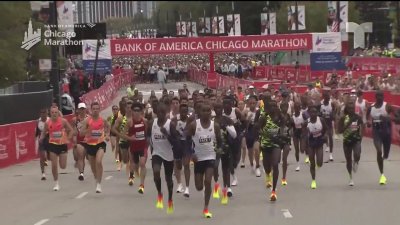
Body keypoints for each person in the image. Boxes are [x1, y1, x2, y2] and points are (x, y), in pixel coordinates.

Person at [187, 103, 222, 218]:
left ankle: (206, 207)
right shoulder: (193, 125)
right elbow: (187, 141)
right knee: (199, 186)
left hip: (210, 157)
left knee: (208, 181)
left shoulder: (215, 125)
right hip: (198, 159)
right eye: (204, 110)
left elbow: (220, 141)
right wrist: (191, 154)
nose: (206, 112)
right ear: (199, 112)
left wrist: (218, 152)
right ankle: (202, 190)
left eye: (208, 110)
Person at [148, 103, 180, 214]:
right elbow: (148, 136)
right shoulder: (152, 123)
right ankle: (159, 193)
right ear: (156, 112)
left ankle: (170, 199)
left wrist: (166, 134)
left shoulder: (170, 124)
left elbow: (175, 142)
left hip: (168, 154)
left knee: (168, 179)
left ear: (166, 112)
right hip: (156, 153)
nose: (161, 114)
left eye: (163, 112)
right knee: (156, 172)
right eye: (159, 112)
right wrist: (151, 146)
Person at [39, 106, 75, 191]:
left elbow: (71, 130)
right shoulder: (48, 123)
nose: (54, 114)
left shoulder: (63, 121)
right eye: (52, 112)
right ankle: (56, 183)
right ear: (50, 113)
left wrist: (68, 138)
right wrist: (41, 138)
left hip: (62, 145)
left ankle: (61, 160)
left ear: (58, 113)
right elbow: (44, 133)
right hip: (53, 145)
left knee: (63, 166)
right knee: (54, 165)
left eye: (55, 112)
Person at [81, 102, 110, 193]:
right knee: (93, 168)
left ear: (99, 109)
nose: (95, 110)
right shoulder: (87, 121)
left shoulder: (102, 120)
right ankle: (96, 178)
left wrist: (107, 135)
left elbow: (108, 126)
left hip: (100, 144)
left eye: (97, 109)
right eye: (94, 109)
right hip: (90, 145)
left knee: (98, 161)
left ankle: (99, 184)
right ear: (91, 110)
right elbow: (81, 133)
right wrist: (87, 131)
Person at [120, 102, 148, 194]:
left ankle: (142, 185)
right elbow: (123, 135)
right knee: (134, 165)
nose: (136, 112)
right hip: (133, 147)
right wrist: (130, 138)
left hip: (143, 146)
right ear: (132, 111)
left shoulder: (144, 121)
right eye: (134, 110)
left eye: (138, 110)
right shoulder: (129, 122)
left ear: (141, 111)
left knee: (142, 163)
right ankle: (131, 176)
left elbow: (147, 133)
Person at [366, 90, 393, 185]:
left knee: (385, 154)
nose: (380, 98)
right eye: (378, 96)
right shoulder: (371, 108)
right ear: (375, 97)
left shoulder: (387, 106)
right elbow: (367, 118)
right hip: (376, 132)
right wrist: (368, 123)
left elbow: (395, 118)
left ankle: (385, 155)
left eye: (381, 96)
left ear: (383, 97)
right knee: (379, 151)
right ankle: (382, 174)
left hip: (386, 132)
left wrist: (387, 118)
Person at [212, 102, 236, 204]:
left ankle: (227, 188)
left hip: (225, 147)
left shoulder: (227, 120)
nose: (218, 109)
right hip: (214, 148)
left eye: (219, 107)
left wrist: (226, 127)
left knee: (225, 168)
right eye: (216, 107)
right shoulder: (211, 120)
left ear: (222, 108)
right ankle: (217, 184)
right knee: (215, 167)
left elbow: (234, 135)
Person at [338, 101, 363, 186]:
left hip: (356, 140)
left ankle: (356, 161)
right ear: (347, 109)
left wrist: (360, 138)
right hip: (347, 141)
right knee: (348, 160)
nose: (351, 110)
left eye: (353, 108)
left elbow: (361, 128)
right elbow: (339, 131)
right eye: (349, 108)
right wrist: (348, 124)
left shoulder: (358, 117)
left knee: (357, 154)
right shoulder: (343, 118)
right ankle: (350, 177)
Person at [112, 100, 134, 185]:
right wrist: (119, 134)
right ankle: (130, 169)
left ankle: (131, 176)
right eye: (128, 108)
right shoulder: (121, 118)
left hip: (132, 141)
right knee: (125, 159)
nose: (129, 109)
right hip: (123, 140)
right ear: (125, 108)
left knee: (131, 157)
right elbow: (113, 128)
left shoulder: (135, 118)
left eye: (131, 108)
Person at [306, 105, 328, 189]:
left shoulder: (321, 120)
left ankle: (317, 166)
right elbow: (304, 135)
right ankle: (313, 181)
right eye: (311, 112)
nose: (313, 113)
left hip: (319, 142)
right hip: (311, 144)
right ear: (309, 113)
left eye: (315, 112)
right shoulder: (307, 123)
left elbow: (326, 129)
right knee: (312, 163)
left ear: (317, 113)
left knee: (319, 163)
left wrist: (325, 136)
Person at [173, 104, 192, 197]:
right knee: (178, 165)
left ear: (187, 111)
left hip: (187, 145)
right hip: (178, 144)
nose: (184, 113)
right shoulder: (175, 119)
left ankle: (187, 187)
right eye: (182, 111)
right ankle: (179, 184)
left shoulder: (190, 119)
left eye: (185, 111)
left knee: (186, 164)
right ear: (179, 111)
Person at [71, 103, 89, 181]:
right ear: (78, 110)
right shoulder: (75, 120)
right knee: (80, 157)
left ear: (85, 109)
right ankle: (81, 173)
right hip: (80, 141)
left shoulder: (89, 118)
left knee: (88, 158)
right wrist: (74, 140)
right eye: (80, 109)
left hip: (89, 141)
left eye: (83, 109)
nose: (82, 111)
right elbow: (74, 131)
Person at [320, 88, 335, 161]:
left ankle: (331, 154)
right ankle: (326, 146)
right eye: (327, 99)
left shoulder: (331, 103)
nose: (328, 100)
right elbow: (319, 114)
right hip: (323, 124)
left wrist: (332, 115)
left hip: (329, 123)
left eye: (329, 98)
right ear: (324, 98)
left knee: (331, 138)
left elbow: (334, 113)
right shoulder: (321, 104)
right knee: (323, 138)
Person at [36, 108, 49, 180]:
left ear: (47, 114)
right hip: (42, 140)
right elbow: (36, 132)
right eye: (42, 113)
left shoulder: (50, 120)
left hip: (50, 139)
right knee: (42, 156)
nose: (43, 115)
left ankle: (47, 159)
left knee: (50, 157)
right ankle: (43, 174)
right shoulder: (38, 121)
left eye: (45, 113)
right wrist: (36, 138)